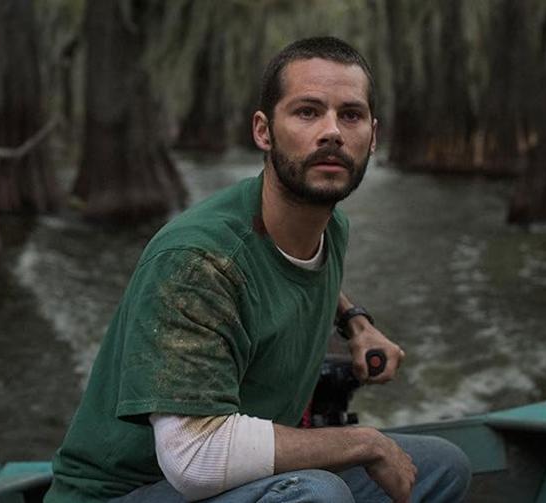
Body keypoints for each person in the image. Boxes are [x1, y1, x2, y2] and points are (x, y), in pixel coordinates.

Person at [45, 36, 471, 503]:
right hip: (132, 490)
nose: (331, 131)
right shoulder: (196, 261)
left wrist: (355, 323)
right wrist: (363, 442)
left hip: (234, 481)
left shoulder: (330, 227)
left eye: (349, 115)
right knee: (316, 495)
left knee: (443, 467)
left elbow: (295, 271)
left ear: (373, 136)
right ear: (263, 131)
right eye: (307, 112)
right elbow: (195, 459)